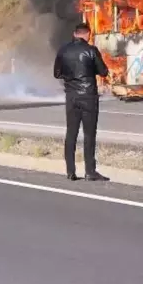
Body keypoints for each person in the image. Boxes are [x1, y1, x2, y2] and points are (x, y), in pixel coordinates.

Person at [54, 22, 110, 182]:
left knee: (71, 133)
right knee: (89, 134)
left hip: (71, 96)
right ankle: (90, 171)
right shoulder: (91, 51)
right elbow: (103, 71)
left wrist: (69, 77)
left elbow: (56, 73)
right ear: (87, 35)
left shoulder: (63, 51)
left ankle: (70, 171)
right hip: (88, 97)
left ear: (74, 33)